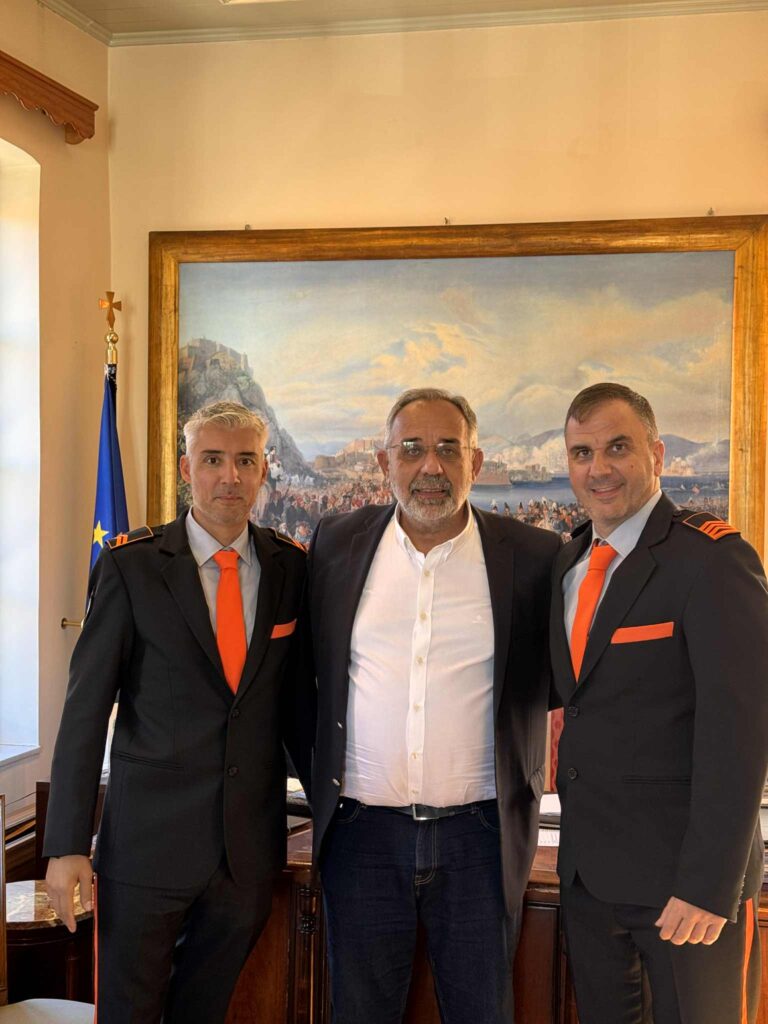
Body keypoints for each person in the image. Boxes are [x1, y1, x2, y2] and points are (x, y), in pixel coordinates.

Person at [44, 401, 313, 1024]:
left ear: (263, 470)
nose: (230, 477)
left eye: (245, 461)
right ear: (187, 469)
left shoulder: (290, 567)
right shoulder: (130, 565)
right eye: (213, 460)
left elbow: (300, 707)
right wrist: (65, 845)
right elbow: (85, 710)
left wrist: (333, 818)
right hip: (146, 852)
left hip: (245, 856)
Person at [307, 387, 560, 1023]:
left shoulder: (533, 556)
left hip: (481, 839)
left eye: (449, 449)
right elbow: (304, 672)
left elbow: (559, 682)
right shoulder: (335, 543)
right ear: (384, 463)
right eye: (412, 449)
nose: (431, 466)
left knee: (483, 1012)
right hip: (362, 835)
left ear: (476, 462)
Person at [550, 382, 768, 1024]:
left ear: (657, 453)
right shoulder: (568, 564)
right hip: (590, 882)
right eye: (582, 453)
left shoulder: (711, 560)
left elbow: (742, 732)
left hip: (684, 889)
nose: (599, 468)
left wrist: (708, 885)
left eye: (617, 447)